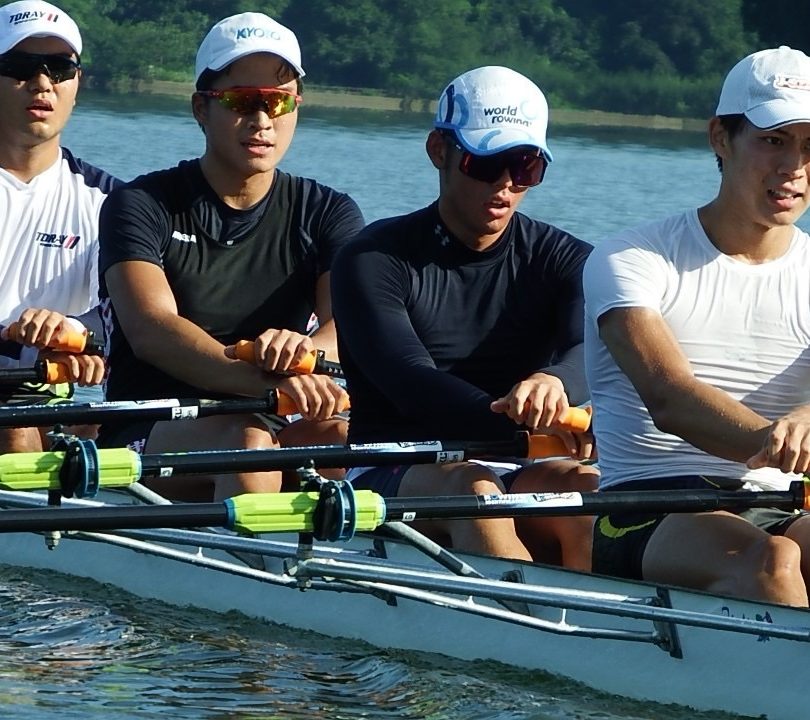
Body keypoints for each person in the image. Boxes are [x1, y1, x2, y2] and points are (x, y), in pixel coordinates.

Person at [331, 66, 598, 569]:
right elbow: (412, 382)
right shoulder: (372, 260)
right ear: (439, 150)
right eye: (486, 163)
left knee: (587, 490)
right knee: (475, 490)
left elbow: (588, 351)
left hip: (522, 461)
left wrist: (556, 382)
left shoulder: (567, 259)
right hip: (397, 464)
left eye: (524, 166)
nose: (505, 184)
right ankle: (529, 611)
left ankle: (590, 611)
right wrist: (525, 421)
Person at [97, 12, 362, 501]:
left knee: (343, 440)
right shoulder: (140, 204)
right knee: (247, 443)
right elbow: (152, 330)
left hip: (272, 412)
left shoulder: (328, 212)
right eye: (242, 101)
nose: (262, 121)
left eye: (278, 101)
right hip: (151, 425)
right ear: (201, 108)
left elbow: (346, 327)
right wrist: (266, 383)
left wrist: (306, 354)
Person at [585, 46, 810, 607]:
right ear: (720, 138)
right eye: (774, 140)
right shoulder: (632, 258)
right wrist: (776, 443)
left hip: (782, 503)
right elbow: (669, 397)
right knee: (772, 561)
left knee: (780, 548)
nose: (794, 167)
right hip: (647, 507)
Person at [0, 0, 117, 452]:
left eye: (60, 68)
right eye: (20, 67)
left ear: (76, 83)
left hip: (47, 396)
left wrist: (75, 331)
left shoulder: (114, 203)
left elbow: (127, 317)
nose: (42, 83)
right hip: (18, 407)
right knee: (15, 431)